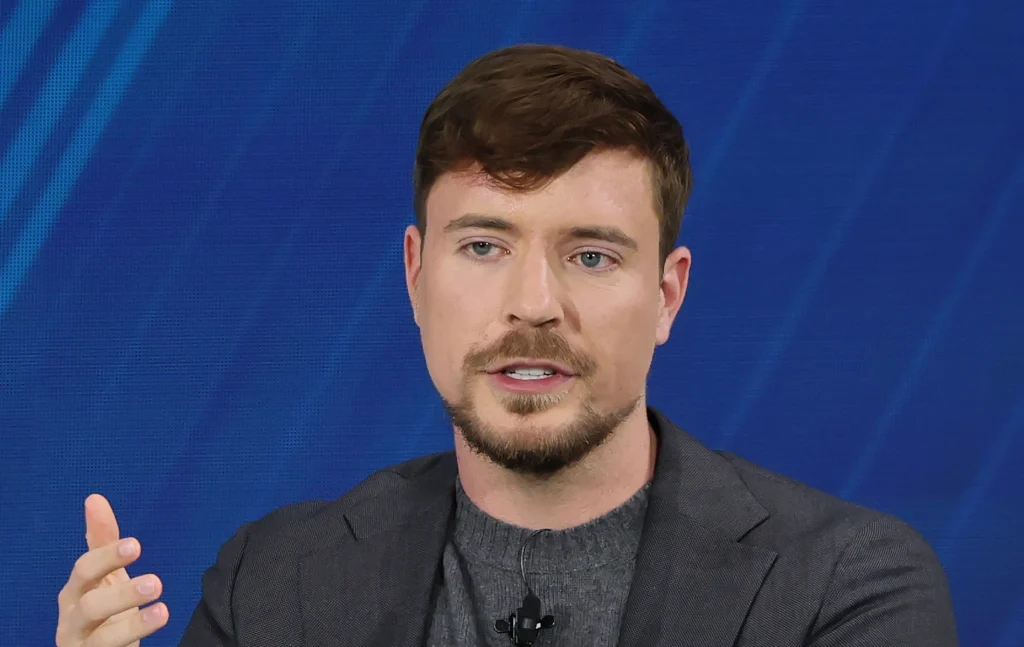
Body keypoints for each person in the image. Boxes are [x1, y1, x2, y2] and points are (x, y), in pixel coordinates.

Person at [55, 44, 958, 647]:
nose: (534, 304)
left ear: (667, 294)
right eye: (484, 245)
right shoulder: (275, 586)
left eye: (592, 254)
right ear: (415, 275)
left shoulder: (845, 589)